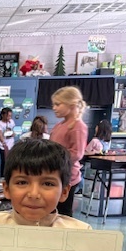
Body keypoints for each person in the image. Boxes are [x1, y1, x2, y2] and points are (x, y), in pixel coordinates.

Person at [50, 86, 88, 216]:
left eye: (57, 104)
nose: (54, 108)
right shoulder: (59, 125)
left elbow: (77, 153)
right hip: (54, 174)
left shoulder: (78, 126)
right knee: (51, 209)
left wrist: (53, 160)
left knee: (63, 212)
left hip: (67, 177)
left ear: (71, 105)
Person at [0, 107, 15, 176]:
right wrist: (3, 143)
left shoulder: (12, 121)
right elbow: (0, 135)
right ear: (3, 115)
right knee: (4, 162)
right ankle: (3, 176)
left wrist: (13, 134)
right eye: (8, 116)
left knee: (11, 161)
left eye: (10, 116)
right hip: (3, 146)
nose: (9, 117)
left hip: (11, 145)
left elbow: (12, 131)